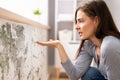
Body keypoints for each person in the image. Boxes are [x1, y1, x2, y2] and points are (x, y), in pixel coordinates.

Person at [36, 0, 120, 80]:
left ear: (96, 20)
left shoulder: (109, 46)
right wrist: (59, 46)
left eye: (81, 21)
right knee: (89, 73)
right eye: (76, 22)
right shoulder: (89, 45)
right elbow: (74, 75)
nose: (76, 26)